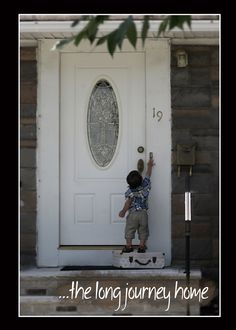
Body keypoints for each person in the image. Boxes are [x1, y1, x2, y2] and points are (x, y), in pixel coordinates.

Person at [119, 158, 155, 253]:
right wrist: (150, 166)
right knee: (143, 230)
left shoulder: (130, 192)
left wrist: (123, 212)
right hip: (143, 214)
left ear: (129, 183)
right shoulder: (145, 186)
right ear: (141, 179)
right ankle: (142, 246)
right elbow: (148, 175)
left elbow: (128, 203)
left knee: (130, 229)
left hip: (133, 214)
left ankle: (129, 246)